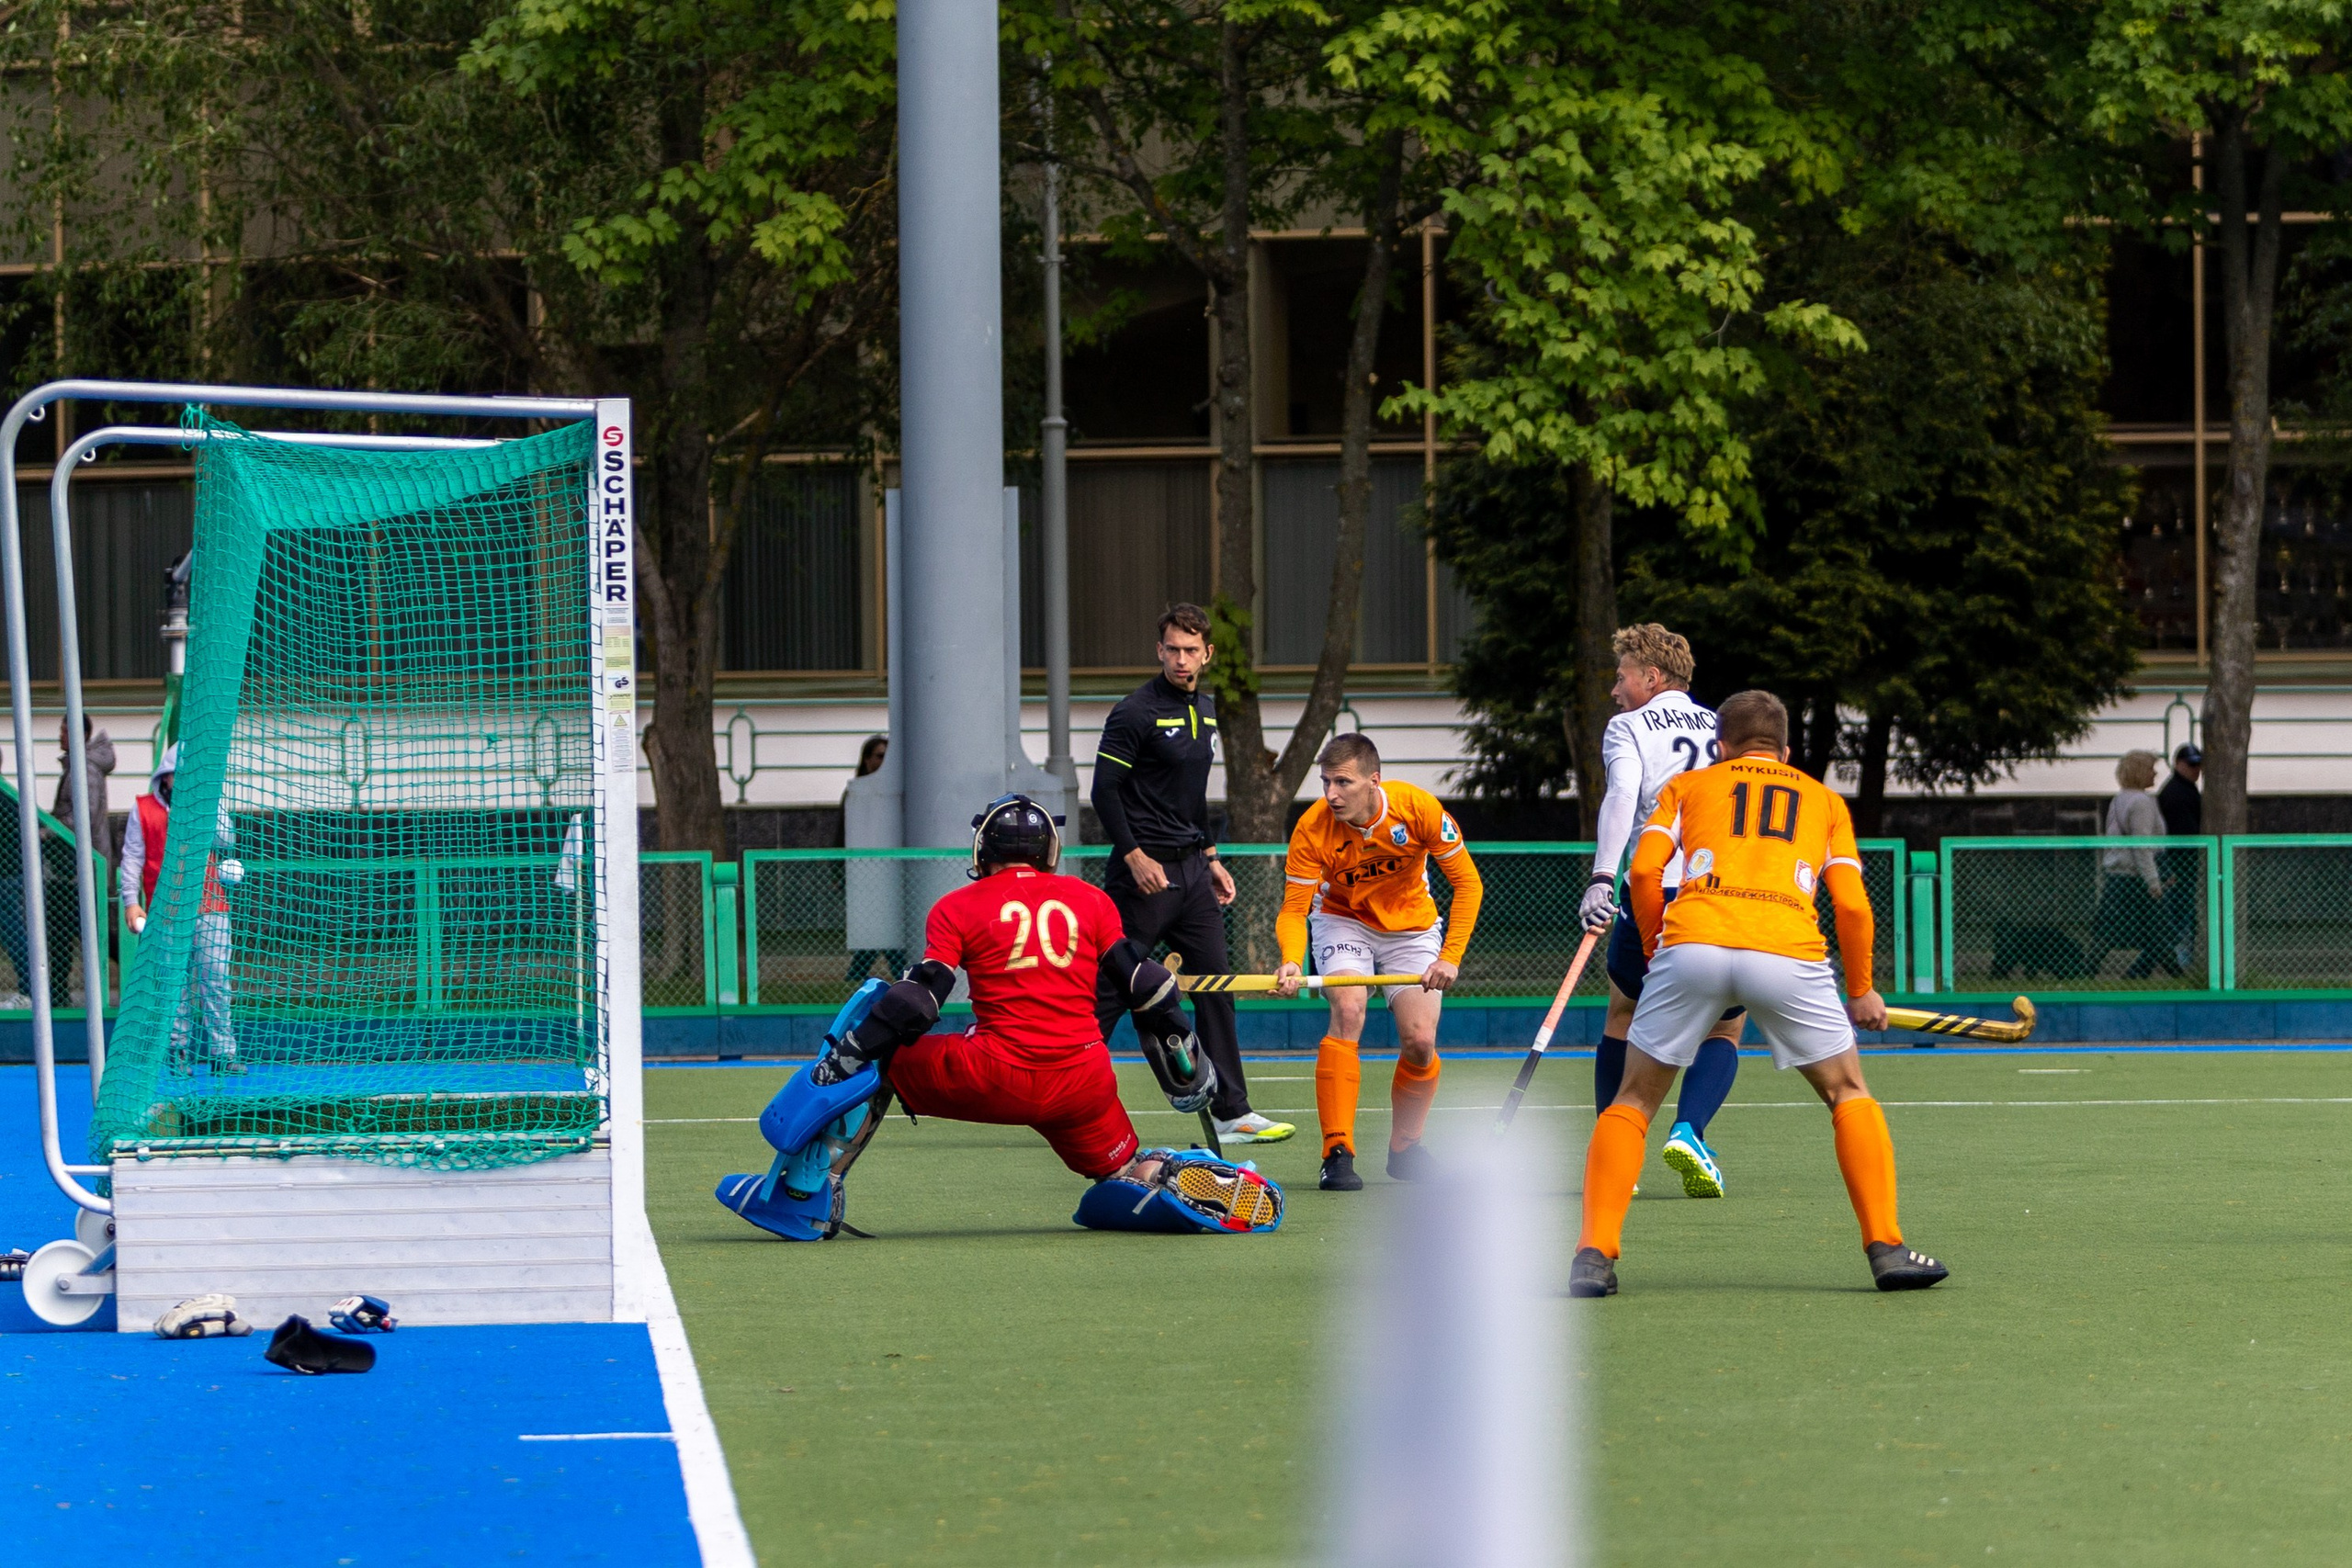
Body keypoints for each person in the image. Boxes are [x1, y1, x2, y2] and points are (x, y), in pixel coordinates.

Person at [716, 795, 1283, 1241]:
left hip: (995, 1073)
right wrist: (1186, 1060)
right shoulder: (1091, 900)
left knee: (879, 1044)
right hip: (1083, 1081)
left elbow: (916, 1002)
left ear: (981, 854)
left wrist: (848, 1054)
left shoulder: (957, 906)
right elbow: (1148, 984)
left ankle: (807, 1198)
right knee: (1118, 1169)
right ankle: (1167, 1176)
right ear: (1050, 852)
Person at [1570, 690, 1947, 1298]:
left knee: (1634, 1100)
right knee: (1846, 1090)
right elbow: (1850, 902)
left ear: (1720, 745)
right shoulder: (1823, 800)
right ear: (1788, 750)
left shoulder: (1691, 787)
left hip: (1692, 940)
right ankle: (1886, 1247)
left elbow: (1643, 872)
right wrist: (1862, 990)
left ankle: (1592, 1255)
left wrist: (1654, 945)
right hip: (1787, 949)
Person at [1090, 603, 1292, 1145]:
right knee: (1111, 987)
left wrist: (1211, 857)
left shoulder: (1205, 708)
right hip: (1142, 876)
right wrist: (1133, 854)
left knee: (1216, 987)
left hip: (1193, 874)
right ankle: (1065, 1087)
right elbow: (1103, 791)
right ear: (1160, 651)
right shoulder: (1134, 712)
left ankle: (1232, 1112)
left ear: (1208, 654)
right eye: (1172, 649)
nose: (1182, 659)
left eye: (1191, 650)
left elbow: (1189, 799)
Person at [1273, 732, 1484, 1191]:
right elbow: (1294, 909)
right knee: (1348, 1009)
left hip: (1412, 928)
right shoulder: (1312, 828)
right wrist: (1292, 960)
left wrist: (1450, 957)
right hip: (1342, 920)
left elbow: (1468, 884)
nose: (1331, 794)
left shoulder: (1418, 808)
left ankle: (1406, 1149)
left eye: (1343, 782)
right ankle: (1337, 1151)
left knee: (1420, 1041)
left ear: (1374, 780)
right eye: (1326, 782)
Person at [1577, 624, 1744, 1200]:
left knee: (1624, 1010)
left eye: (1622, 675)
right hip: (1722, 891)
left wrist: (1602, 877)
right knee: (1724, 1023)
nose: (1615, 689)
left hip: (1654, 888)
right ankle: (1690, 1131)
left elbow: (1623, 796)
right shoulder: (1723, 728)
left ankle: (1612, 1146)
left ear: (1651, 677)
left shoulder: (1627, 726)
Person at [119, 744, 241, 1072]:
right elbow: (132, 859)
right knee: (174, 984)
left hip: (211, 904)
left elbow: (226, 840)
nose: (184, 782)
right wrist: (131, 903)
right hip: (166, 910)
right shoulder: (143, 809)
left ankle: (223, 1053)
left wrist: (208, 803)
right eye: (179, 776)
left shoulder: (205, 804)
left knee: (216, 980)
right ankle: (177, 1051)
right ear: (166, 777)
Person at [44, 713, 115, 1010]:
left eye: (63, 730)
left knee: (71, 931)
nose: (59, 735)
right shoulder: (79, 767)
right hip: (75, 868)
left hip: (76, 869)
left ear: (79, 733)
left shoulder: (83, 770)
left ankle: (58, 996)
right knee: (82, 932)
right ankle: (58, 993)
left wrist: (48, 831)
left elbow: (80, 817)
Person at [2096, 750, 2174, 980]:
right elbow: (2143, 845)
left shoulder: (2119, 799)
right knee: (2161, 928)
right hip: (2136, 877)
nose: (2155, 773)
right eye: (2151, 768)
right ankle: (2169, 973)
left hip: (2118, 874)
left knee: (2108, 928)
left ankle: (2091, 968)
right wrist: (2153, 880)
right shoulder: (2141, 803)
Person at [842, 734, 904, 985]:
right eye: (879, 756)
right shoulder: (856, 794)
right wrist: (839, 873)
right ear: (867, 760)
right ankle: (900, 973)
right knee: (878, 928)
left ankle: (859, 974)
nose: (883, 762)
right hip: (863, 875)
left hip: (889, 874)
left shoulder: (895, 793)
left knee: (880, 929)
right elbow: (841, 834)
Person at [2156, 743, 2203, 971]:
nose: (2196, 770)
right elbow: (2186, 831)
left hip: (2181, 862)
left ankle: (2178, 960)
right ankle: (2178, 962)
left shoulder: (2182, 789)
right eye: (2191, 765)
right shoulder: (2178, 793)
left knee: (2180, 914)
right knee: (2180, 915)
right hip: (2180, 863)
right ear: (2178, 764)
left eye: (2198, 765)